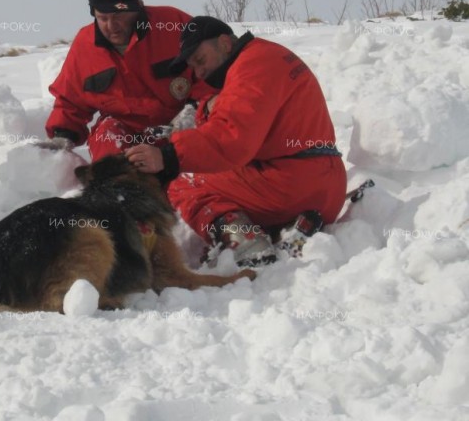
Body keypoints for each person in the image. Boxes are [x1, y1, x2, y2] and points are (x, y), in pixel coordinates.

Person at [125, 16, 347, 267]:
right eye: (193, 67)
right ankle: (294, 227)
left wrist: (167, 155)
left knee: (183, 181)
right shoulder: (268, 56)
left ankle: (246, 243)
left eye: (200, 60)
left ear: (224, 43)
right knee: (228, 180)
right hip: (327, 187)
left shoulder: (250, 66)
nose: (199, 72)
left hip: (290, 185)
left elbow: (231, 139)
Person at [43, 0, 215, 160]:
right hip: (126, 131)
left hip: (181, 125)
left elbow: (215, 70)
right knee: (106, 133)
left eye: (119, 15)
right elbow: (70, 101)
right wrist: (62, 137)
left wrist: (195, 109)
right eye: (103, 18)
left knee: (203, 150)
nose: (112, 26)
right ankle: (117, 188)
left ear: (138, 7)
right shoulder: (85, 47)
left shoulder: (174, 24)